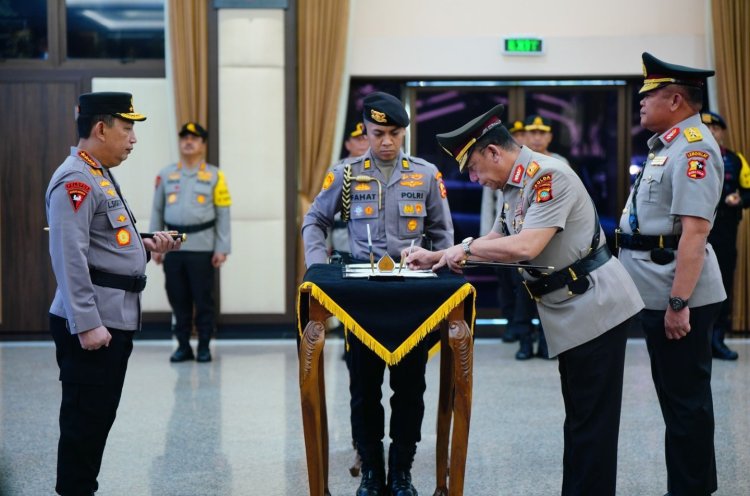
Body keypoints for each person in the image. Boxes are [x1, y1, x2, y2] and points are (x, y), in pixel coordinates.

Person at [406, 103, 644, 496]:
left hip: (596, 307)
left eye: (474, 168)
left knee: (592, 423)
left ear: (494, 152)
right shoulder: (517, 184)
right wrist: (438, 255)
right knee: (581, 418)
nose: (475, 178)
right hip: (572, 309)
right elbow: (500, 234)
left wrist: (463, 252)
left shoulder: (549, 176)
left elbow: (527, 246)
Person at [302, 92, 453, 496]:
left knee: (410, 388)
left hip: (411, 297)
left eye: (395, 133)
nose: (387, 141)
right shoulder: (347, 174)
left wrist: (437, 265)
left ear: (405, 131)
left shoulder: (424, 174)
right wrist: (317, 267)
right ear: (366, 132)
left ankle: (401, 471)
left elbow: (441, 233)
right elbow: (314, 220)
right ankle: (371, 470)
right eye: (378, 133)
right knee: (363, 389)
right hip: (362, 298)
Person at [46, 92, 181, 496]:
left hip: (113, 317)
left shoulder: (98, 172)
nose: (133, 139)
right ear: (101, 128)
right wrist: (86, 324)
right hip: (95, 323)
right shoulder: (76, 180)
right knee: (84, 424)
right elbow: (70, 257)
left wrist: (145, 245)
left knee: (97, 419)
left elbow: (103, 240)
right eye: (127, 128)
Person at [617, 52, 726, 496]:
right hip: (657, 290)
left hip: (679, 296)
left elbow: (694, 235)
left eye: (649, 95)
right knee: (677, 401)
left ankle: (691, 490)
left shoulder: (695, 148)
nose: (641, 103)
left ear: (676, 99)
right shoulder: (669, 145)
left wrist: (678, 305)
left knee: (686, 405)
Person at [150, 122, 232, 363]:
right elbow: (157, 210)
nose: (188, 141)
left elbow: (223, 213)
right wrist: (155, 245)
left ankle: (204, 346)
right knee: (177, 298)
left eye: (194, 138)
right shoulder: (165, 175)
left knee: (203, 299)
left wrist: (222, 247)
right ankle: (183, 345)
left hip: (203, 248)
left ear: (203, 145)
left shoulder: (216, 175)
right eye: (184, 137)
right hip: (172, 247)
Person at [701, 110, 750, 360]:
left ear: (721, 131)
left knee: (723, 287)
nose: (710, 133)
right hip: (697, 235)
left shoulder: (736, 160)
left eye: (714, 129)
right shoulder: (693, 157)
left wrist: (740, 199)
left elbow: (749, 191)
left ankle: (717, 340)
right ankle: (698, 342)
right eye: (705, 128)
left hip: (725, 235)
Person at [330, 121, 371, 258]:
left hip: (374, 238)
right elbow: (325, 211)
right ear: (347, 144)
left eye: (366, 138)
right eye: (358, 139)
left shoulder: (380, 168)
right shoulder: (336, 170)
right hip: (343, 237)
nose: (363, 143)